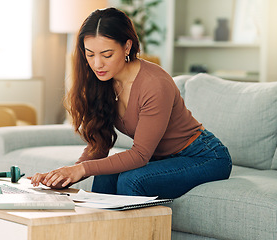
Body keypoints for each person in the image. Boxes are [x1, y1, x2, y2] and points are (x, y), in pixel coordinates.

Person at [30, 7, 232, 199]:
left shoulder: (154, 84)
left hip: (203, 156)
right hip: (161, 158)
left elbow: (140, 155)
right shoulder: (103, 81)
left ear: (127, 46)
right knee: (106, 173)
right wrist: (63, 176)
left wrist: (80, 169)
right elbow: (99, 148)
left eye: (107, 54)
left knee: (132, 179)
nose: (97, 64)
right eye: (90, 54)